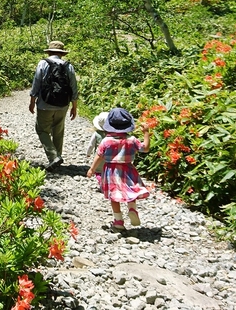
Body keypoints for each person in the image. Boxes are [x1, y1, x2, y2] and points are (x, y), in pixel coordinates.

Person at [86, 107, 150, 232]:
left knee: (114, 196)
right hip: (128, 169)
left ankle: (118, 221)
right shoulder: (131, 140)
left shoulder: (106, 141)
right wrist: (146, 132)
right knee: (130, 191)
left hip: (111, 171)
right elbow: (145, 148)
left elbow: (98, 156)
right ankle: (132, 209)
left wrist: (92, 169)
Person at [28, 40, 78, 171]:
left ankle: (53, 157)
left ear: (49, 52)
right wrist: (74, 106)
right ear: (62, 53)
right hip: (63, 104)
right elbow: (73, 86)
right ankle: (57, 157)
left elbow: (36, 83)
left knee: (42, 130)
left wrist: (32, 101)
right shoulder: (68, 66)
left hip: (45, 104)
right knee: (58, 130)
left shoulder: (43, 63)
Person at [85, 111, 109, 188]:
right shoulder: (112, 135)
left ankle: (102, 183)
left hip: (99, 157)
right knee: (108, 171)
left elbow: (91, 145)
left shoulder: (96, 134)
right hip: (110, 157)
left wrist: (88, 153)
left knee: (98, 172)